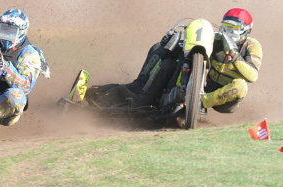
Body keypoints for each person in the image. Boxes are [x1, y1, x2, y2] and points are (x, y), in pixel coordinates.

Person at [102, 8, 262, 113]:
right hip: (206, 83)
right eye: (227, 27)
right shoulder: (216, 39)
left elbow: (252, 76)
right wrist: (171, 42)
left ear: (246, 30)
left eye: (234, 29)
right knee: (168, 62)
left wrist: (233, 54)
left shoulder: (252, 45)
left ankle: (200, 103)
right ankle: (123, 95)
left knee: (241, 86)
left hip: (224, 98)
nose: (230, 32)